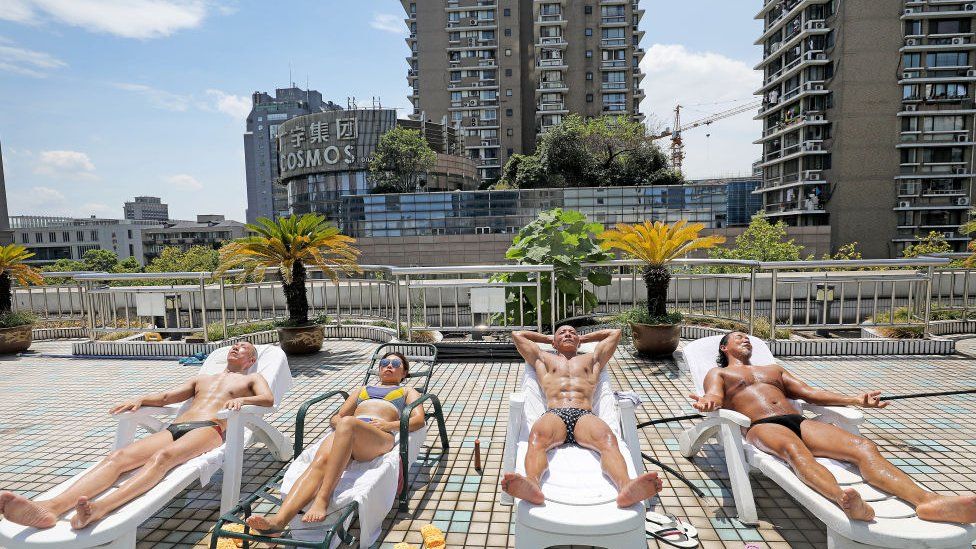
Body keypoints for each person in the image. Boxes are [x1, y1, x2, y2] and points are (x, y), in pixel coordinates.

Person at [691, 331, 976, 524]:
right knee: (794, 450)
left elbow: (809, 393)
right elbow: (714, 395)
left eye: (747, 338)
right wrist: (708, 402)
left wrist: (855, 400)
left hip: (799, 421)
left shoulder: (773, 370)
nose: (745, 340)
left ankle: (928, 502)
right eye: (738, 338)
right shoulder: (720, 372)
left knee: (863, 447)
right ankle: (845, 501)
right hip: (761, 425)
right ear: (724, 347)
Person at [0, 341, 274, 530]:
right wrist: (141, 399)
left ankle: (100, 508)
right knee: (117, 457)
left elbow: (268, 398)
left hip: (209, 429)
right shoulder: (202, 379)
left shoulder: (251, 379)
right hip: (176, 427)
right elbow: (168, 396)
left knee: (162, 458)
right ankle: (50, 507)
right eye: (235, 346)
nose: (237, 348)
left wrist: (244, 402)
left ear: (250, 360)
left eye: (244, 349)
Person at [245, 351, 425, 535]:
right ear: (379, 369)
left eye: (396, 364)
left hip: (378, 436)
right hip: (349, 433)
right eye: (385, 362)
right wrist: (341, 426)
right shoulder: (361, 390)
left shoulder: (407, 391)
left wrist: (389, 424)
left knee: (348, 423)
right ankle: (278, 521)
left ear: (404, 373)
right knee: (319, 462)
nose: (389, 366)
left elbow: (419, 420)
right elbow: (337, 417)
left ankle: (322, 499)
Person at [501, 326, 662, 508]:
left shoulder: (593, 359)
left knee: (608, 440)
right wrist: (549, 340)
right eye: (562, 333)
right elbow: (517, 335)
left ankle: (626, 486)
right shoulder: (543, 358)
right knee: (537, 438)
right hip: (555, 413)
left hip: (584, 415)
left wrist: (582, 339)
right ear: (554, 342)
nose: (568, 334)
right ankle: (532, 483)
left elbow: (614, 333)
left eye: (572, 332)